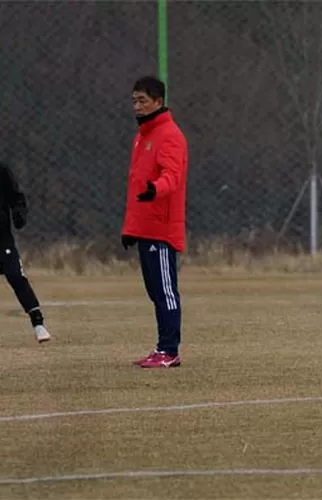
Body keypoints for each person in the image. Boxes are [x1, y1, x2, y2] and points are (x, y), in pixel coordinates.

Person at [122, 76, 188, 368]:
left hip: (161, 228)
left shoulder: (169, 135)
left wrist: (156, 189)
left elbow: (171, 176)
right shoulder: (143, 136)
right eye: (134, 100)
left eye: (142, 100)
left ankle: (169, 350)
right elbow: (136, 187)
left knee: (165, 290)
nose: (137, 106)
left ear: (158, 102)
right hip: (146, 227)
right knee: (154, 291)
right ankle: (162, 348)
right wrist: (131, 229)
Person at [0, 162, 51, 343]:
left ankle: (38, 324)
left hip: (2, 239)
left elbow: (16, 197)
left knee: (15, 276)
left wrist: (19, 213)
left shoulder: (2, 169)